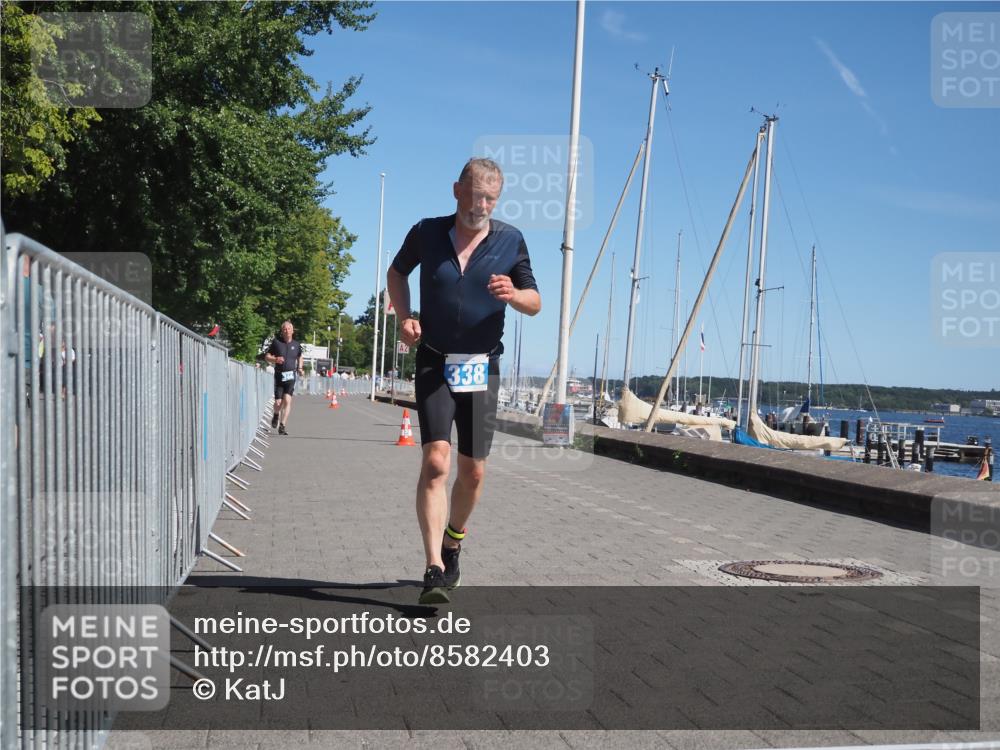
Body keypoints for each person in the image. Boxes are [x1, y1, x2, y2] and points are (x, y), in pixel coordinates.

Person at [386, 157, 541, 604]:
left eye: (491, 198)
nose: (482, 206)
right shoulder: (427, 232)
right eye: (475, 196)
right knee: (437, 462)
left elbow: (536, 301)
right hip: (434, 360)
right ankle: (434, 566)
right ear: (457, 190)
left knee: (472, 472)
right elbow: (398, 273)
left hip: (481, 365)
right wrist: (404, 317)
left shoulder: (511, 241)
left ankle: (454, 541)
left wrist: (514, 295)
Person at [263, 321, 303, 435]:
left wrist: (300, 368)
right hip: (279, 376)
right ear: (282, 331)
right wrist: (275, 360)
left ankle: (282, 425)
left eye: (289, 328)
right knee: (278, 402)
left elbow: (300, 356)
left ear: (293, 330)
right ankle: (276, 415)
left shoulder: (296, 344)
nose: (287, 331)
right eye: (285, 329)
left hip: (291, 376)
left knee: (287, 400)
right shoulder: (276, 343)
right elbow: (267, 356)